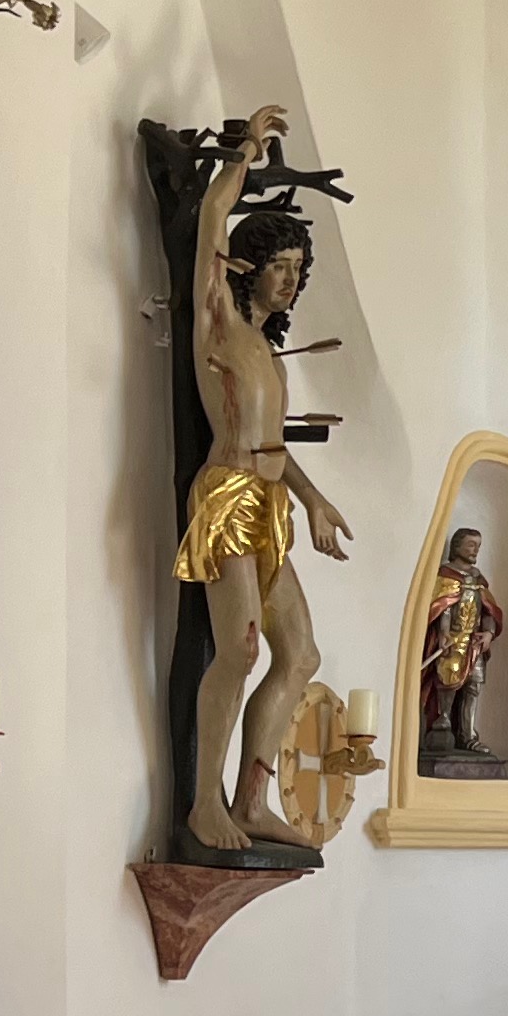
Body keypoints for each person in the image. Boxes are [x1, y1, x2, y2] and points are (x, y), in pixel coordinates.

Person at [177, 106, 352, 853]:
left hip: (271, 501)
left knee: (302, 654)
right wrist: (246, 149)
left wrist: (313, 499)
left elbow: (276, 444)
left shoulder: (267, 356)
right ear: (247, 266)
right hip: (226, 496)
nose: (292, 280)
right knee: (241, 648)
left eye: (299, 270)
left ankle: (253, 798)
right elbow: (216, 212)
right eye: (281, 265)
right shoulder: (218, 322)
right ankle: (201, 802)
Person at [419, 523, 507, 764]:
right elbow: (442, 607)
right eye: (470, 544)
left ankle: (468, 734)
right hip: (452, 641)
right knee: (447, 682)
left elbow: (489, 609)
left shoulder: (479, 579)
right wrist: (444, 633)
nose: (475, 550)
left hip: (474, 643)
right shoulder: (445, 575)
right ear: (457, 545)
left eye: (478, 546)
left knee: (473, 686)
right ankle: (442, 724)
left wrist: (488, 633)